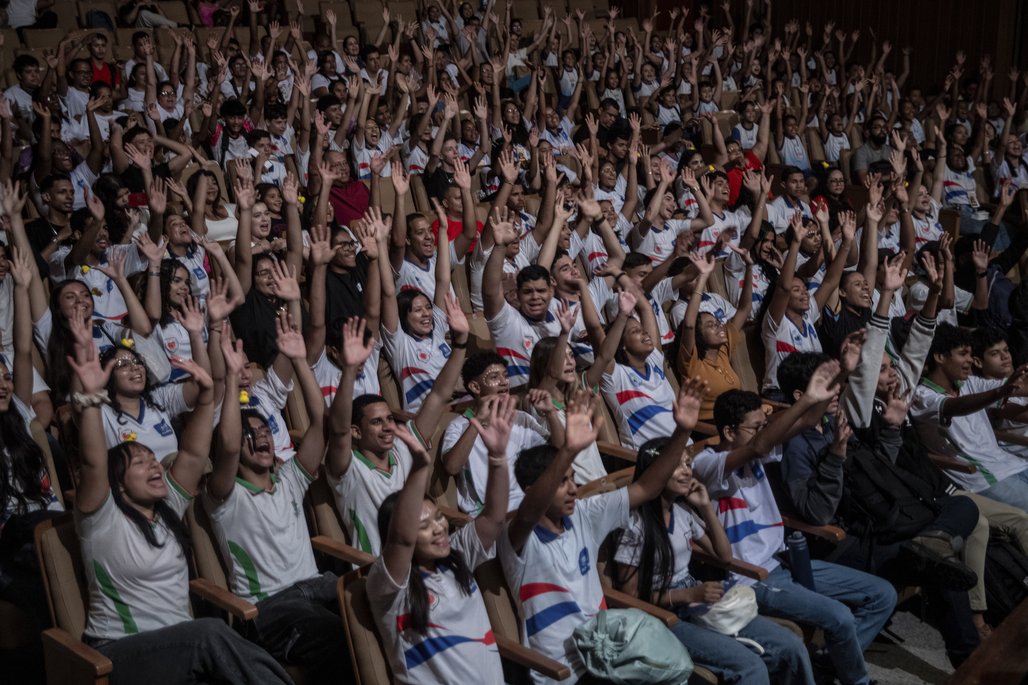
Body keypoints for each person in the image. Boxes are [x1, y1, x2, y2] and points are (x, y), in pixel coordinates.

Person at [66, 317, 290, 684]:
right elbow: (92, 462)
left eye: (152, 459)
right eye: (141, 463)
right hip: (120, 652)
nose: (155, 465)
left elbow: (194, 453)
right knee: (211, 633)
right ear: (117, 482)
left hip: (179, 649)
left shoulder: (166, 506)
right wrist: (90, 399)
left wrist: (207, 396)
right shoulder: (100, 518)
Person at [693, 367, 897, 685]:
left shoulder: (756, 455)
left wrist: (839, 375)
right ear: (729, 432)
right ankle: (856, 680)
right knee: (840, 616)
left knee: (882, 595)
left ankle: (829, 664)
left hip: (784, 561)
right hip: (751, 577)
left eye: (764, 427)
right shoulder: (707, 464)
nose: (763, 434)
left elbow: (805, 421)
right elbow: (759, 446)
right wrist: (804, 401)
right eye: (755, 428)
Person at [499, 379, 707, 683]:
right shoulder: (518, 537)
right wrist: (568, 450)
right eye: (561, 482)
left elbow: (646, 488)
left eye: (573, 478)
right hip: (564, 671)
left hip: (610, 651)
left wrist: (682, 431)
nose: (573, 488)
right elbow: (530, 510)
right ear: (532, 491)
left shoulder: (585, 513)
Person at [206, 315, 348, 680]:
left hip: (317, 585)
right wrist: (230, 381)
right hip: (270, 606)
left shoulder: (289, 479)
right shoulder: (224, 497)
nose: (261, 437)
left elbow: (321, 423)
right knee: (341, 638)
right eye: (249, 433)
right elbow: (227, 445)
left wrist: (300, 361)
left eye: (264, 430)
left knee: (379, 605)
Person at [615, 442, 815, 685]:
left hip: (698, 600)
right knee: (751, 667)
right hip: (665, 615)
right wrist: (686, 595)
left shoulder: (682, 512)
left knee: (791, 646)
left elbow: (725, 556)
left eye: (688, 464)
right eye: (677, 465)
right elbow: (631, 597)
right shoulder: (635, 526)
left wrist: (705, 506)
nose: (687, 471)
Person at [368, 394, 516, 683]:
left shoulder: (455, 556)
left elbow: (494, 518)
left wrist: (498, 458)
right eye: (424, 526)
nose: (439, 528)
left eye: (438, 518)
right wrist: (420, 468)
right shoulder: (387, 586)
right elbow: (401, 541)